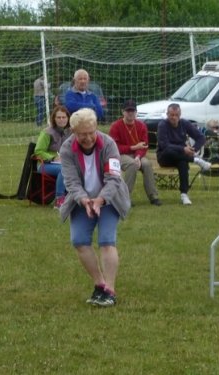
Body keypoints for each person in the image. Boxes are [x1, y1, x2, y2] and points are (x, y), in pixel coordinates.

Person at [59, 108, 131, 307]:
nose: (88, 137)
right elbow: (71, 181)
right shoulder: (66, 149)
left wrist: (100, 200)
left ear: (96, 127)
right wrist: (84, 200)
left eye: (91, 132)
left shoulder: (108, 144)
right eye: (83, 134)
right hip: (81, 200)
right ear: (74, 131)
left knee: (107, 240)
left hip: (109, 198)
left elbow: (114, 179)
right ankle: (99, 284)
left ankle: (110, 290)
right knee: (79, 240)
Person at [109, 99, 161, 206]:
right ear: (123, 112)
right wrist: (133, 147)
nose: (130, 113)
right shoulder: (116, 126)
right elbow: (115, 148)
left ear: (136, 112)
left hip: (137, 154)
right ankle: (124, 197)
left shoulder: (141, 126)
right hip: (120, 155)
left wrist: (138, 156)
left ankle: (153, 196)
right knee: (132, 164)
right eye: (128, 111)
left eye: (132, 111)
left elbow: (144, 145)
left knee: (146, 164)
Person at [156, 103, 210, 205]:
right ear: (167, 114)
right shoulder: (162, 125)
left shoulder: (184, 123)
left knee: (183, 162)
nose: (174, 117)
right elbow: (164, 145)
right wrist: (183, 149)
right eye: (171, 115)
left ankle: (184, 195)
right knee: (169, 150)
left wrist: (193, 149)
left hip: (181, 156)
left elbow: (201, 137)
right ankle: (196, 160)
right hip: (164, 157)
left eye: (176, 115)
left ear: (180, 115)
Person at [33, 105, 72, 208]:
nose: (61, 120)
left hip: (66, 163)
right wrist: (53, 158)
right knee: (64, 170)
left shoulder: (71, 132)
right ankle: (59, 200)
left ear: (68, 118)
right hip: (45, 165)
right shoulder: (46, 132)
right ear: (54, 119)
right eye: (58, 117)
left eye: (64, 117)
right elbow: (38, 151)